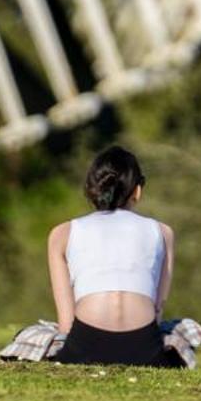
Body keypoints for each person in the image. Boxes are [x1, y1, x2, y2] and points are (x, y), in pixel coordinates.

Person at [46, 145, 183, 368]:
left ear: (92, 190)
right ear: (137, 190)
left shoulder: (61, 234)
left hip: (86, 344)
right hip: (144, 347)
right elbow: (157, 310)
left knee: (36, 334)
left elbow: (66, 324)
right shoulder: (163, 232)